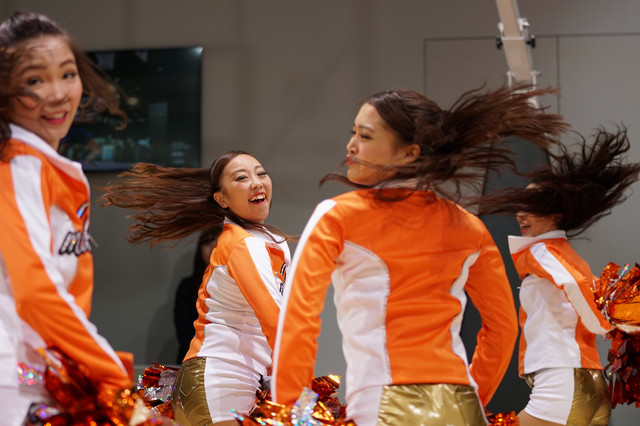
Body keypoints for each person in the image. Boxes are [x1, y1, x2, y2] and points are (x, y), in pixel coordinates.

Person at [271, 86, 572, 425]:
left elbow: (299, 318)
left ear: (409, 153)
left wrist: (292, 413)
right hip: (462, 404)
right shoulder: (469, 226)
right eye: (353, 133)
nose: (351, 145)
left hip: (384, 405)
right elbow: (503, 329)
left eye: (365, 136)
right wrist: (475, 396)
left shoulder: (337, 216)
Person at [0, 11, 131, 425]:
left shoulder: (38, 164)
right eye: (34, 81)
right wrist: (112, 377)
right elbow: (36, 292)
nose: (57, 94)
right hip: (15, 383)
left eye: (67, 74)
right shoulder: (19, 165)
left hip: (35, 377)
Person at [99, 150, 291, 426]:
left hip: (230, 383)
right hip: (219, 383)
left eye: (261, 173)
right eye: (241, 178)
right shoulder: (241, 243)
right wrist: (298, 378)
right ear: (221, 199)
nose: (256, 182)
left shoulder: (271, 241)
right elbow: (275, 319)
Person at [479, 127, 640, 425]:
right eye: (520, 207)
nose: (520, 215)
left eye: (531, 208)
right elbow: (596, 293)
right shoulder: (571, 256)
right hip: (592, 385)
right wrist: (618, 325)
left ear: (555, 217)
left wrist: (602, 326)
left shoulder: (542, 251)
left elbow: (572, 284)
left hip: (561, 384)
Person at [173, 224, 222, 363]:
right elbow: (184, 332)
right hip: (191, 360)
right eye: (208, 242)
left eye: (218, 243)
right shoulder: (187, 287)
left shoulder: (236, 286)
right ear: (200, 248)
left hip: (226, 362)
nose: (212, 247)